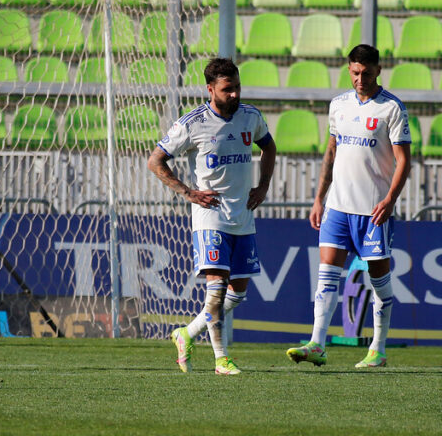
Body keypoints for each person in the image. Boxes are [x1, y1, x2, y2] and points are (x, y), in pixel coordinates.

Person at [148, 57, 276, 375]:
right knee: (216, 287)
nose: (234, 95)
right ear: (210, 89)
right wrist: (189, 193)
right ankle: (221, 359)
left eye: (237, 87)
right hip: (211, 215)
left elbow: (269, 148)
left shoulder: (251, 117)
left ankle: (186, 334)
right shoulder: (192, 124)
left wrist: (263, 187)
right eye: (227, 89)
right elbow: (155, 161)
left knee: (239, 291)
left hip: (242, 214)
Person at [287, 44, 411, 369]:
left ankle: (378, 349)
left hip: (373, 212)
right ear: (348, 70)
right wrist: (318, 198)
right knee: (327, 276)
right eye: (355, 72)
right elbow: (331, 152)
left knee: (378, 280)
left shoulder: (392, 109)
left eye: (366, 73)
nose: (360, 79)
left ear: (378, 70)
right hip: (337, 208)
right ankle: (317, 343)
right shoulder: (339, 105)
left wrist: (390, 200)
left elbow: (404, 162)